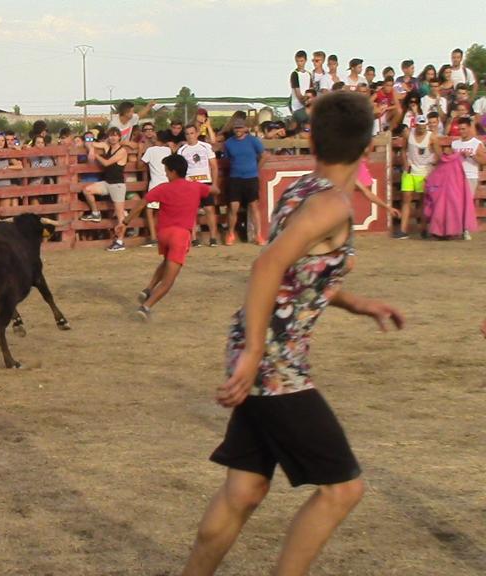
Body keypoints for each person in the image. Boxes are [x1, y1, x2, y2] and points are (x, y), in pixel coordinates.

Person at [180, 91, 405, 576]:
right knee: (343, 489)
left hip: (257, 353)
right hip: (275, 364)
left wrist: (356, 302)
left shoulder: (301, 189)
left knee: (245, 489)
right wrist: (258, 351)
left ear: (312, 139)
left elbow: (298, 275)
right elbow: (268, 265)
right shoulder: (332, 206)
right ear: (367, 147)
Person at [117, 153, 210, 321]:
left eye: (167, 170)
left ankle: (148, 288)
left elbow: (142, 204)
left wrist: (125, 222)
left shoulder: (162, 188)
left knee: (166, 262)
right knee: (168, 281)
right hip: (180, 235)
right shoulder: (196, 187)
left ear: (174, 172)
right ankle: (146, 307)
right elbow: (213, 190)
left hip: (164, 234)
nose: (166, 174)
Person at [80, 127, 129, 252]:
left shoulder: (122, 151)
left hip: (117, 185)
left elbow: (107, 163)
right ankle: (95, 213)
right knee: (87, 190)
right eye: (111, 135)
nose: (113, 137)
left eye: (115, 135)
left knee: (120, 215)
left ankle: (120, 241)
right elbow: (88, 141)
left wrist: (95, 154)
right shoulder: (107, 146)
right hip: (107, 183)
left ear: (119, 137)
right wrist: (90, 148)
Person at [222, 117, 268, 246]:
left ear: (245, 129)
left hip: (250, 177)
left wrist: (256, 169)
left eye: (240, 127)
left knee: (253, 207)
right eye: (236, 128)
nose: (238, 130)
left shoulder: (253, 141)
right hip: (235, 178)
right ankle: (230, 233)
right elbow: (228, 158)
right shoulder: (229, 143)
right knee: (233, 207)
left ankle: (258, 235)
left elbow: (264, 155)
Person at [396, 115, 440, 239]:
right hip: (411, 170)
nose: (421, 128)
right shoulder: (408, 134)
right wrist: (405, 162)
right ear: (415, 125)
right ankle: (403, 230)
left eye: (423, 125)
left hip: (424, 171)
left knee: (422, 201)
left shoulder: (431, 137)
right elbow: (404, 149)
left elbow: (438, 154)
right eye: (419, 126)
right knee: (406, 198)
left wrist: (432, 170)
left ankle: (423, 228)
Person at [178, 125, 220, 246]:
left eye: (192, 133)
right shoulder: (182, 150)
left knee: (209, 209)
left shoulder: (205, 146)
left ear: (196, 133)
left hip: (205, 182)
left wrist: (214, 184)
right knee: (192, 211)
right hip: (190, 183)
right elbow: (181, 169)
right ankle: (194, 239)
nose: (190, 136)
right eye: (187, 134)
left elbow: (214, 166)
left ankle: (213, 238)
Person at [451, 117, 486, 240]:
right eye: (459, 129)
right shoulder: (455, 144)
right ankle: (457, 228)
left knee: (467, 203)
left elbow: (484, 161)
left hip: (470, 175)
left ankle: (465, 229)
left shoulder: (477, 144)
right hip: (456, 176)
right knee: (456, 202)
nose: (461, 131)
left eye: (464, 129)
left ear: (469, 128)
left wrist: (471, 155)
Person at [289, 51, 311, 122]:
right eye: (297, 61)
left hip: (306, 105)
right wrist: (306, 103)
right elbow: (298, 93)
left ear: (305, 60)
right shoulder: (295, 74)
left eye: (301, 61)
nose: (299, 63)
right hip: (297, 106)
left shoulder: (309, 74)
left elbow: (311, 90)